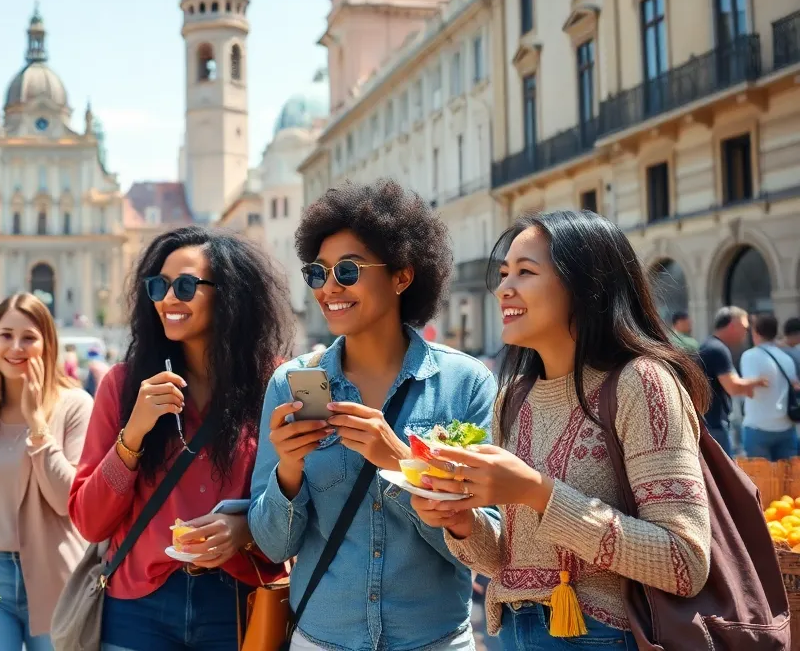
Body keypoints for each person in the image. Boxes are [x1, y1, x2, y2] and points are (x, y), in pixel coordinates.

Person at [412, 210, 712, 649]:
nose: (504, 289)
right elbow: (509, 563)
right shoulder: (512, 397)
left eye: (526, 272)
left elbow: (683, 562)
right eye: (503, 273)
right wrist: (461, 522)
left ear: (586, 286)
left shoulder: (641, 383)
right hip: (511, 630)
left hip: (603, 635)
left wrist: (538, 492)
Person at [249, 179, 496, 651]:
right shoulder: (292, 384)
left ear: (403, 276)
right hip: (321, 639)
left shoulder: (466, 384)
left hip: (434, 641)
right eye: (318, 273)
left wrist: (401, 465)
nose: (329, 288)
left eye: (347, 270)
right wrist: (288, 472)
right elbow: (274, 546)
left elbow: (484, 548)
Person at [70, 226, 290, 651]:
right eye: (159, 286)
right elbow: (89, 521)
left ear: (229, 294)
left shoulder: (275, 384)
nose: (169, 298)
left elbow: (302, 499)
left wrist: (245, 530)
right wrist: (134, 432)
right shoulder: (122, 385)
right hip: (138, 605)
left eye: (186, 285)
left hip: (240, 600)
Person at [0, 293, 94, 651]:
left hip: (57, 576)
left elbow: (67, 502)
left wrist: (39, 426)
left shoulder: (74, 406)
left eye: (29, 337)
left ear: (48, 344)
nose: (16, 347)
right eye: (6, 335)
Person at [698, 306, 768, 454]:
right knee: (723, 474)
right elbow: (733, 386)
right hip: (715, 425)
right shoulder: (718, 350)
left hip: (709, 423)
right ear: (732, 325)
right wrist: (759, 382)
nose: (746, 332)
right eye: (744, 327)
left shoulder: (709, 345)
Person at [739, 314, 800, 460]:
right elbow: (795, 386)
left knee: (759, 481)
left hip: (758, 425)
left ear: (756, 332)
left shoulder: (750, 356)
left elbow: (749, 390)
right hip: (785, 426)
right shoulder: (786, 358)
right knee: (787, 480)